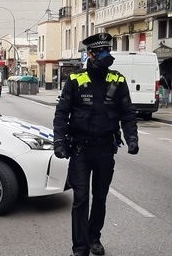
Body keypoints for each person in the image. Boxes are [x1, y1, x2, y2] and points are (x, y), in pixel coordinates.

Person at [53, 33, 139, 256]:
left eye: (107, 50)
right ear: (89, 54)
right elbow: (62, 113)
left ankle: (94, 238)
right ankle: (80, 247)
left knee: (100, 197)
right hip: (80, 150)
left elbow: (128, 113)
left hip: (104, 150)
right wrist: (59, 141)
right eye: (100, 51)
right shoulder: (75, 80)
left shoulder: (117, 80)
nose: (105, 55)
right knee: (81, 199)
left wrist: (132, 138)